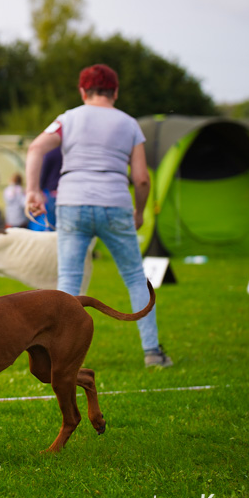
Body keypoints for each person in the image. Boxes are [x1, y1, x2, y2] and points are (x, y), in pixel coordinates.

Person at [25, 64, 172, 368]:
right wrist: (140, 211)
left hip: (72, 203)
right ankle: (153, 352)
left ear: (82, 91)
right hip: (115, 204)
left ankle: (58, 356)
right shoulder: (130, 124)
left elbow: (36, 148)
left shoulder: (67, 118)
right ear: (115, 92)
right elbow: (142, 178)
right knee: (134, 278)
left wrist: (32, 191)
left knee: (69, 280)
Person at [29, 147, 62, 231]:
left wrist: (38, 189)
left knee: (51, 224)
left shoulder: (49, 152)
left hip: (51, 192)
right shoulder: (69, 150)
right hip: (66, 192)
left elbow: (43, 174)